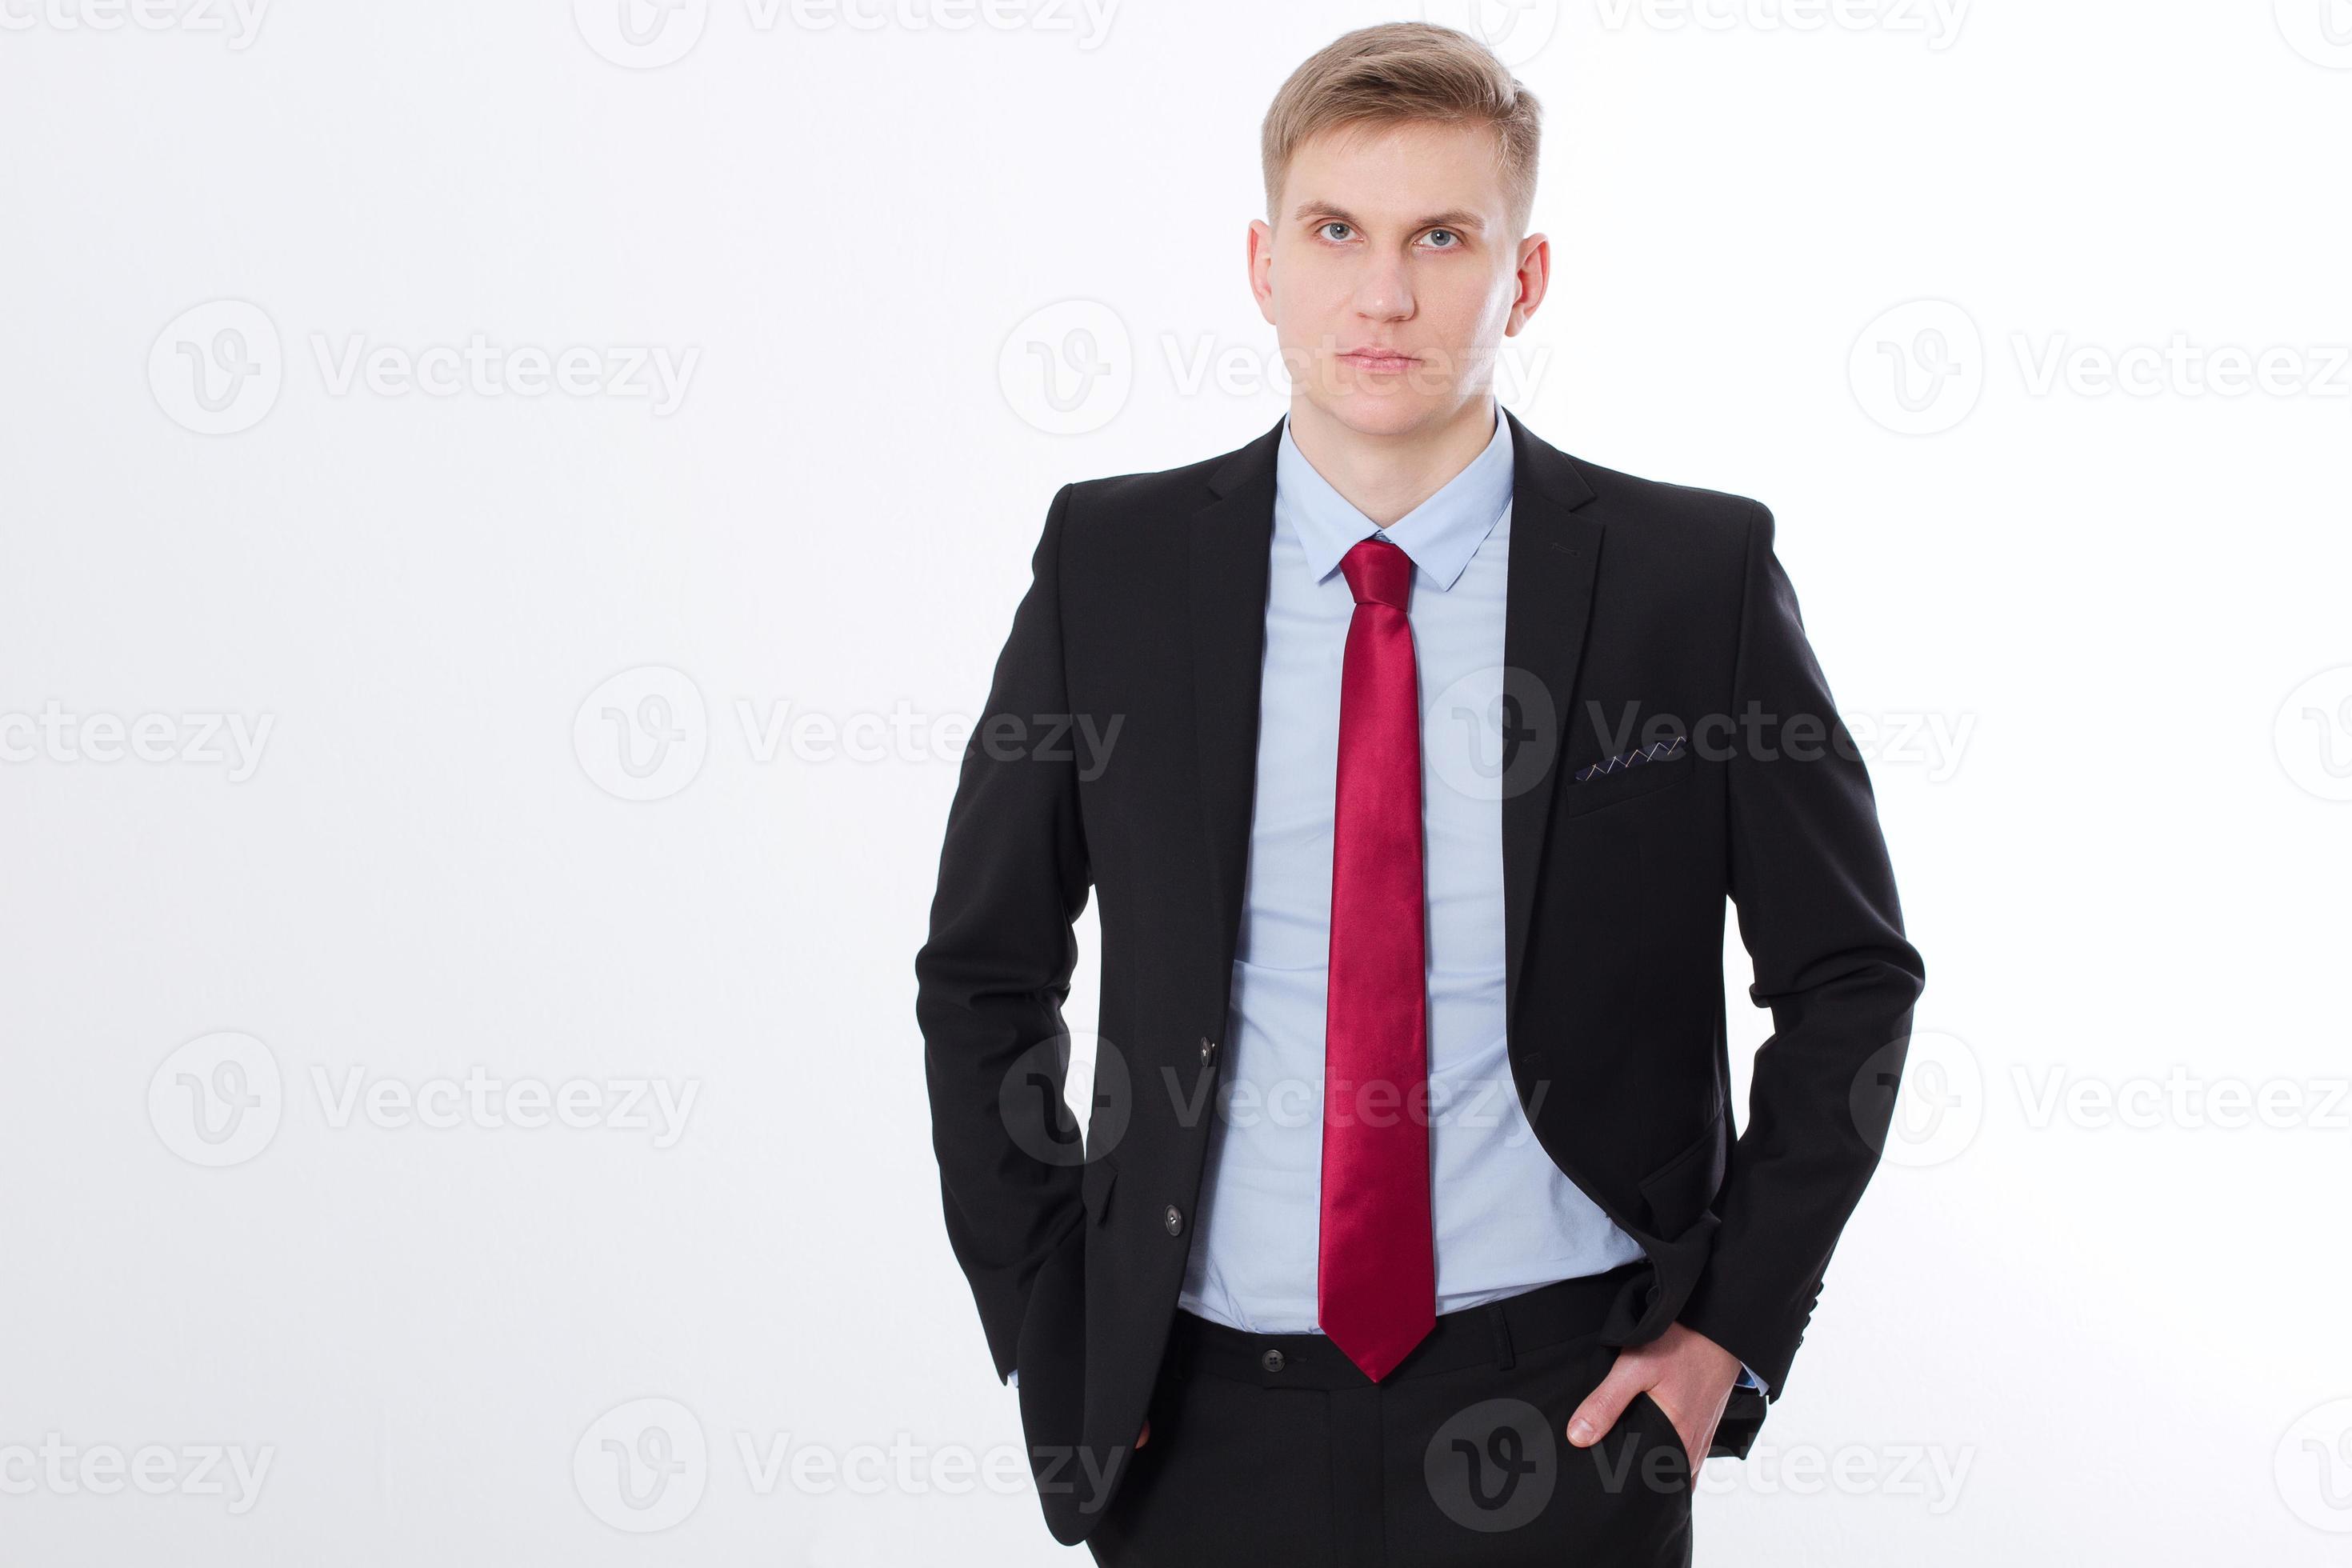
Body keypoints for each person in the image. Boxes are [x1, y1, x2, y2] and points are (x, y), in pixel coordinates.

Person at [915, 22, 1925, 1563]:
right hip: (1190, 1425)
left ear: (1520, 277)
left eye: (1441, 237)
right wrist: (1056, 1317)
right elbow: (985, 970)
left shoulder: (1688, 580)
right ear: (1265, 264)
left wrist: (1730, 1327)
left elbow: (1849, 980)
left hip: (1567, 1414)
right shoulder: (1109, 568)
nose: (1382, 295)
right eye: (1337, 233)